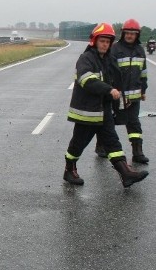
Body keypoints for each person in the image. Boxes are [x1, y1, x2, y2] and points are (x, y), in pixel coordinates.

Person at [64, 23, 148, 188]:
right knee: (78, 144)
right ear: (95, 41)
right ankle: (69, 170)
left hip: (104, 112)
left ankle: (126, 174)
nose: (105, 44)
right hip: (87, 113)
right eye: (102, 41)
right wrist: (108, 90)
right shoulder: (86, 59)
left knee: (112, 142)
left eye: (108, 42)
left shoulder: (109, 60)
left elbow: (117, 82)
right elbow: (86, 80)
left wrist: (122, 102)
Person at [110, 18, 150, 163]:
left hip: (134, 96)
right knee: (110, 122)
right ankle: (101, 145)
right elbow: (111, 71)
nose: (129, 36)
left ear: (137, 35)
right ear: (123, 34)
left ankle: (137, 153)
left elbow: (143, 73)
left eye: (132, 33)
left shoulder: (140, 50)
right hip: (117, 95)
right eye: (127, 33)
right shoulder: (115, 49)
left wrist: (143, 90)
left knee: (134, 123)